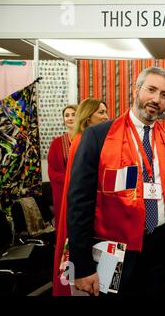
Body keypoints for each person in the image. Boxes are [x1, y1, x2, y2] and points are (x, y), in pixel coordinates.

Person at [67, 67, 165, 296]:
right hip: (113, 249)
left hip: (157, 249)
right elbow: (79, 203)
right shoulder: (98, 136)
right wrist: (82, 265)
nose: (156, 99)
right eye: (151, 90)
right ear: (136, 90)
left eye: (164, 95)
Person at [53, 98, 109, 296]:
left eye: (106, 111)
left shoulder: (83, 139)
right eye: (101, 112)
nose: (106, 116)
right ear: (87, 117)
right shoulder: (84, 140)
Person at [47, 104, 77, 229]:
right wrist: (72, 179)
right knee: (66, 225)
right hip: (64, 191)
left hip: (86, 190)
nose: (69, 118)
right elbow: (52, 172)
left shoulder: (87, 139)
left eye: (73, 114)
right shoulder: (57, 143)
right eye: (66, 115)